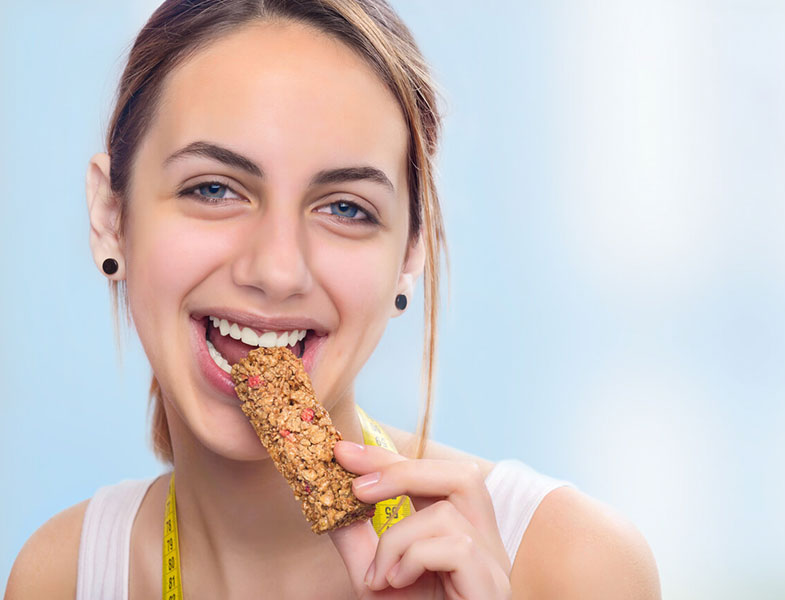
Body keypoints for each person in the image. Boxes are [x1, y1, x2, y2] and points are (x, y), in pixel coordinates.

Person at [5, 1, 661, 598]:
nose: (278, 269)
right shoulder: (64, 575)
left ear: (410, 254)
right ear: (110, 216)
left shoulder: (570, 563)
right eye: (213, 189)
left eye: (346, 207)